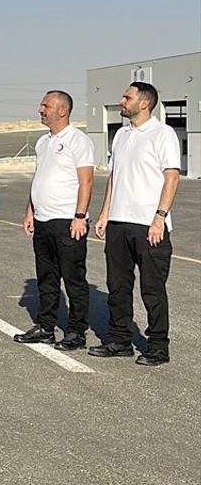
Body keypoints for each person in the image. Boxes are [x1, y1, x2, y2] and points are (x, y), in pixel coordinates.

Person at [91, 82, 180, 366]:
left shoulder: (162, 134)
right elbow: (115, 177)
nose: (121, 101)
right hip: (119, 223)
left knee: (152, 290)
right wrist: (105, 214)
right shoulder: (121, 136)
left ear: (144, 103)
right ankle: (119, 341)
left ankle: (157, 347)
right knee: (117, 286)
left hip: (149, 225)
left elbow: (172, 178)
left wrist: (159, 218)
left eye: (126, 97)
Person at [14, 91, 94, 351]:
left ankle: (76, 332)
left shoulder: (77, 140)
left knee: (73, 279)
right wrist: (30, 210)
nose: (40, 109)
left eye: (45, 105)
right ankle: (46, 327)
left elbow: (86, 180)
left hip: (67, 221)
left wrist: (79, 216)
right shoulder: (42, 142)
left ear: (62, 110)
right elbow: (40, 177)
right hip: (43, 220)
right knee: (46, 278)